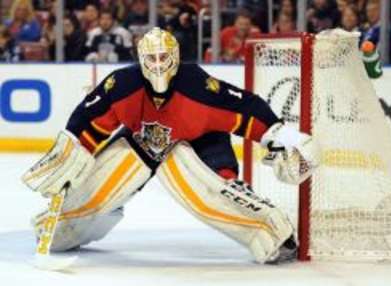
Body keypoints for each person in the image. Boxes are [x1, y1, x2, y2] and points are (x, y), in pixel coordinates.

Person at [23, 28, 318, 265]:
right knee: (108, 180)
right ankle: (63, 228)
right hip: (145, 144)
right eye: (152, 58)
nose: (159, 65)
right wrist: (72, 148)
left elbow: (246, 105)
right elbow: (88, 117)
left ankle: (272, 231)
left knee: (210, 193)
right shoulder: (123, 85)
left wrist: (281, 137)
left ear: (176, 56)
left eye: (164, 56)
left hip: (203, 142)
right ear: (140, 58)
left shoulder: (198, 87)